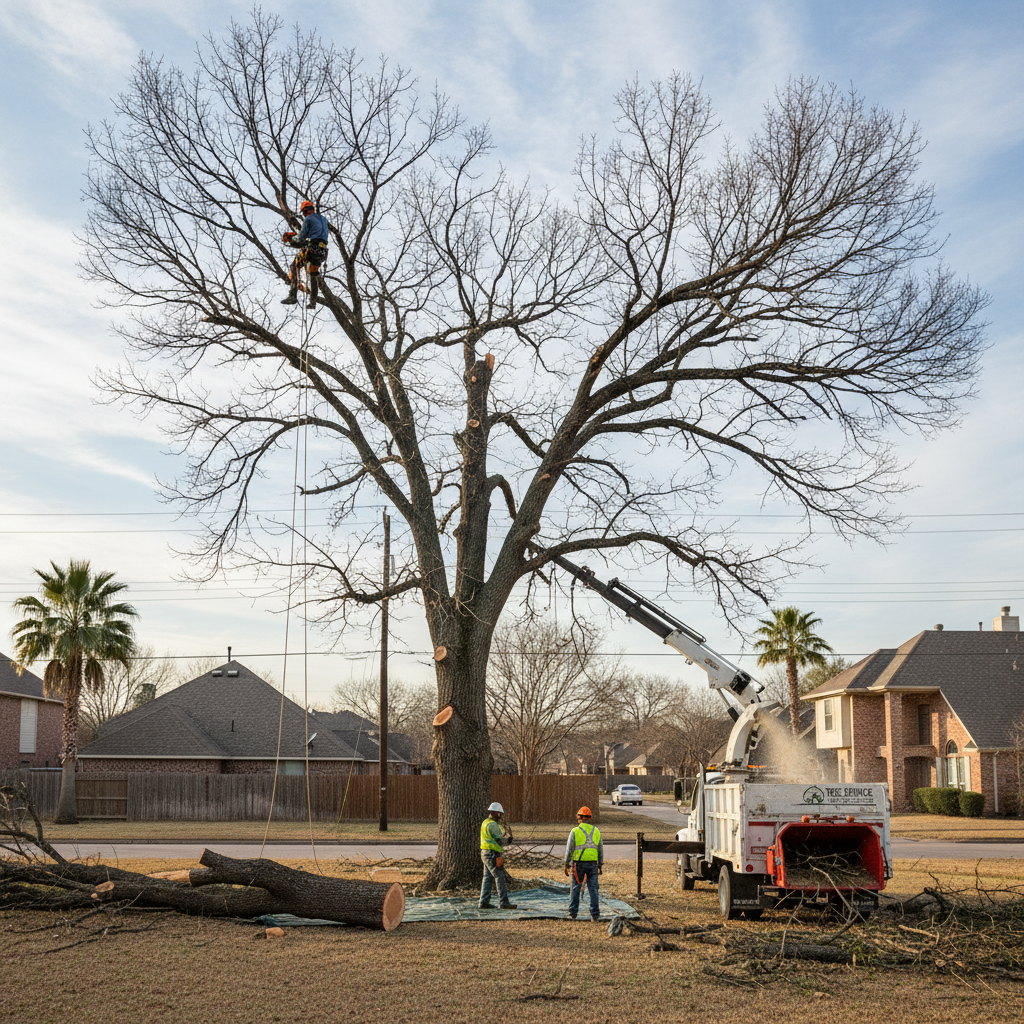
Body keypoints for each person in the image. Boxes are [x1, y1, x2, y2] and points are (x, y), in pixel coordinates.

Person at [281, 200, 329, 309]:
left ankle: (292, 296)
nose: (304, 214)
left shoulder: (308, 219)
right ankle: (313, 302)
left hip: (312, 249)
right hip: (322, 252)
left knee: (294, 266)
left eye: (304, 212)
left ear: (306, 210)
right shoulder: (323, 219)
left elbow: (301, 239)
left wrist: (290, 239)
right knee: (313, 273)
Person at [564, 805, 603, 921]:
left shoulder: (575, 831)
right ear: (589, 818)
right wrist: (600, 864)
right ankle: (595, 915)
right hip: (593, 864)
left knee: (576, 888)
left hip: (578, 864)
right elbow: (600, 849)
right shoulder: (596, 831)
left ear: (579, 818)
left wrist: (566, 864)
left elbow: (569, 849)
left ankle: (572, 914)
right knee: (593, 889)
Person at [479, 801, 517, 910]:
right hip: (492, 854)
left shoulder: (485, 822)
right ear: (495, 813)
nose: (500, 816)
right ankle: (504, 902)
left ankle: (484, 902)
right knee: (499, 877)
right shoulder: (493, 825)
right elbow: (500, 840)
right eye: (499, 813)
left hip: (485, 853)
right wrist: (508, 840)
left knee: (487, 878)